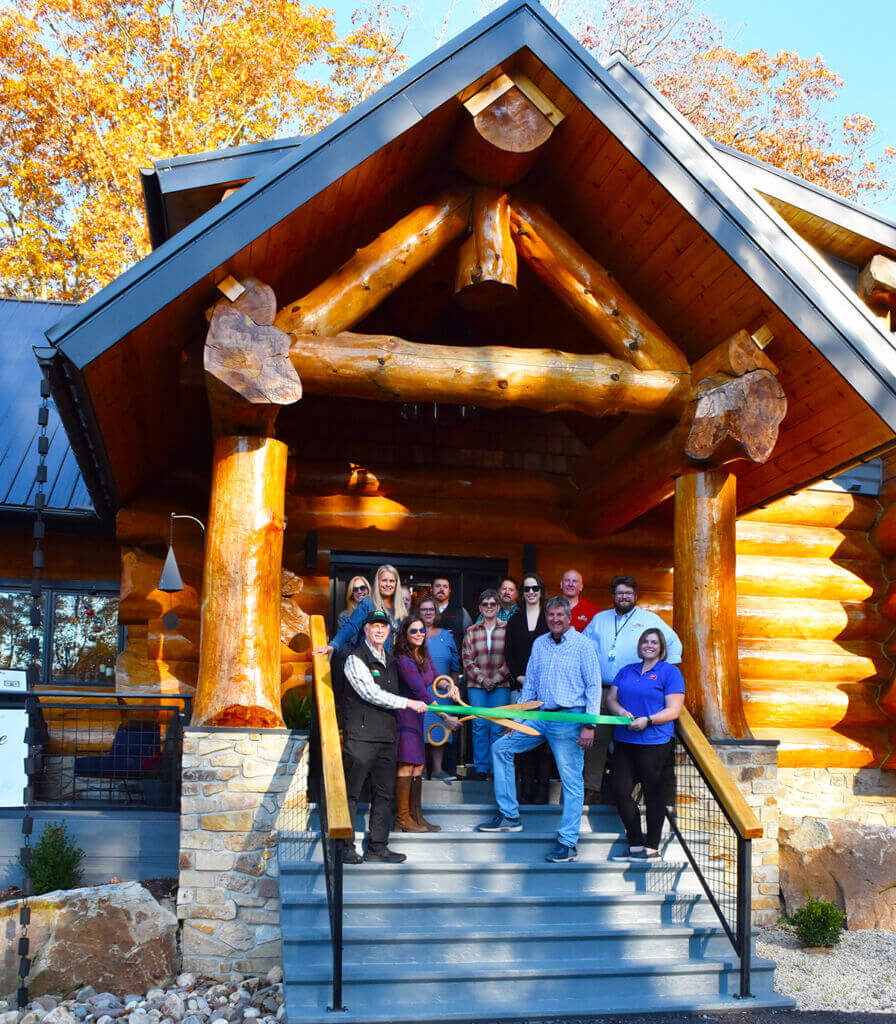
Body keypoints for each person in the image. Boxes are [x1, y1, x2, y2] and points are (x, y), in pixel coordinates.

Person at [478, 596, 602, 863]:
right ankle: (509, 815)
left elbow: (594, 687)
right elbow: (530, 686)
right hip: (539, 715)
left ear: (569, 617)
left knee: (571, 780)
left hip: (570, 719)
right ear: (546, 617)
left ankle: (568, 842)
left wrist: (590, 725)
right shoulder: (540, 644)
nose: (555, 619)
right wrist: (518, 720)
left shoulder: (583, 646)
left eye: (560, 615)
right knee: (501, 747)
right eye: (551, 615)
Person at [581, 575, 683, 803]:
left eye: (628, 593)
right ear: (613, 596)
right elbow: (582, 647)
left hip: (634, 690)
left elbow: (674, 643)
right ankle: (592, 788)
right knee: (596, 740)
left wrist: (664, 673)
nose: (623, 597)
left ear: (635, 596)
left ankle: (629, 793)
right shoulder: (599, 619)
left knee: (631, 743)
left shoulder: (649, 619)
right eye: (619, 593)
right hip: (602, 690)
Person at [341, 611, 428, 863]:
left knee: (384, 794)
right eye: (374, 626)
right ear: (365, 629)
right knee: (351, 794)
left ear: (389, 631)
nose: (379, 630)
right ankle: (344, 847)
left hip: (387, 739)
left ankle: (378, 847)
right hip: (361, 738)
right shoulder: (355, 659)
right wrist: (409, 703)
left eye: (383, 627)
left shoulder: (391, 660)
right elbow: (371, 693)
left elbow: (416, 679)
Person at [607, 628, 685, 861]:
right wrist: (621, 711)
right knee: (620, 791)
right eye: (645, 641)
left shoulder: (670, 672)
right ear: (639, 645)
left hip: (656, 741)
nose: (649, 645)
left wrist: (648, 720)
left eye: (654, 642)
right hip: (624, 740)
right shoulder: (626, 670)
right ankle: (635, 843)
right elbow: (611, 699)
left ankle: (651, 847)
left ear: (661, 647)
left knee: (654, 793)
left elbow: (673, 710)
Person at [394, 615, 450, 833]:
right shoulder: (403, 659)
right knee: (407, 763)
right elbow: (419, 690)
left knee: (418, 764)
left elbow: (437, 678)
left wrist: (449, 686)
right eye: (413, 631)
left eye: (421, 631)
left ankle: (416, 816)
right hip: (405, 715)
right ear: (405, 635)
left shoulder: (424, 655)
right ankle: (403, 818)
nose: (419, 634)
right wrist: (446, 717)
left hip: (419, 717)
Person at [503, 573, 551, 804]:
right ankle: (525, 786)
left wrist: (539, 683)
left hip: (547, 691)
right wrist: (521, 678)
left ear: (542, 591)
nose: (531, 593)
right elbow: (509, 654)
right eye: (526, 589)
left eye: (535, 588)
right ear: (521, 594)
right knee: (520, 736)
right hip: (520, 688)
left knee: (542, 740)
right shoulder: (515, 620)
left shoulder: (550, 619)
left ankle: (542, 789)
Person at [462, 589, 511, 781]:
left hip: (502, 684)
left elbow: (511, 658)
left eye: (493, 604)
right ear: (480, 607)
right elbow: (467, 659)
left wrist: (497, 678)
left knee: (498, 726)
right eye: (485, 604)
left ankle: (495, 768)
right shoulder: (471, 631)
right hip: (477, 685)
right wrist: (483, 679)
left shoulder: (508, 628)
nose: (489, 607)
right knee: (479, 725)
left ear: (499, 607)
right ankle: (481, 768)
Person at [417, 595, 462, 781]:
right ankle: (421, 770)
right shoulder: (414, 634)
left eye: (431, 609)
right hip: (418, 690)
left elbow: (455, 665)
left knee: (439, 729)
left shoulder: (446, 636)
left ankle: (437, 770)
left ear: (436, 613)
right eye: (424, 609)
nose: (428, 612)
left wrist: (453, 689)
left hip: (442, 691)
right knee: (420, 730)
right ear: (418, 613)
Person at [320, 564, 409, 655]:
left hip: (393, 664)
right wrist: (333, 645)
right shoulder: (368, 603)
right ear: (377, 582)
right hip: (371, 662)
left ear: (396, 584)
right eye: (384, 580)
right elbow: (351, 626)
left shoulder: (401, 609)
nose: (388, 584)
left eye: (392, 581)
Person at [431, 576, 472, 650]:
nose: (441, 589)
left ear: (449, 590)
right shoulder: (424, 612)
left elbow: (470, 640)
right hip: (430, 659)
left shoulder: (461, 612)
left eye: (445, 587)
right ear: (431, 590)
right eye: (438, 586)